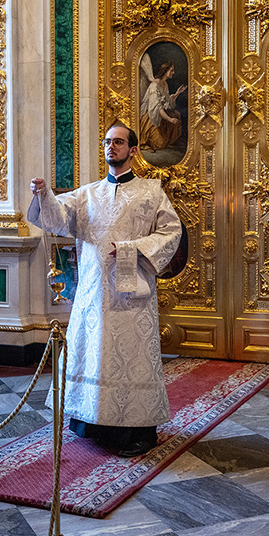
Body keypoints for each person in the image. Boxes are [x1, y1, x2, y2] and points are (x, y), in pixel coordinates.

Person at [28, 123, 182, 457]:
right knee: (96, 354)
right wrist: (43, 194)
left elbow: (171, 233)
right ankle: (92, 423)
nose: (111, 147)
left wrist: (133, 248)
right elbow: (57, 219)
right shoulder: (88, 194)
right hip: (94, 293)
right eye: (107, 142)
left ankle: (137, 431)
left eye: (119, 142)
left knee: (133, 357)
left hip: (132, 295)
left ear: (133, 150)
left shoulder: (151, 192)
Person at [140, 61, 185, 152]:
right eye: (171, 70)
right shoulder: (154, 85)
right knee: (159, 144)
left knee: (176, 114)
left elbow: (167, 102)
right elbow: (157, 107)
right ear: (165, 71)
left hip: (160, 113)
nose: (173, 72)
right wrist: (169, 119)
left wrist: (176, 94)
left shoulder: (164, 84)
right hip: (150, 116)